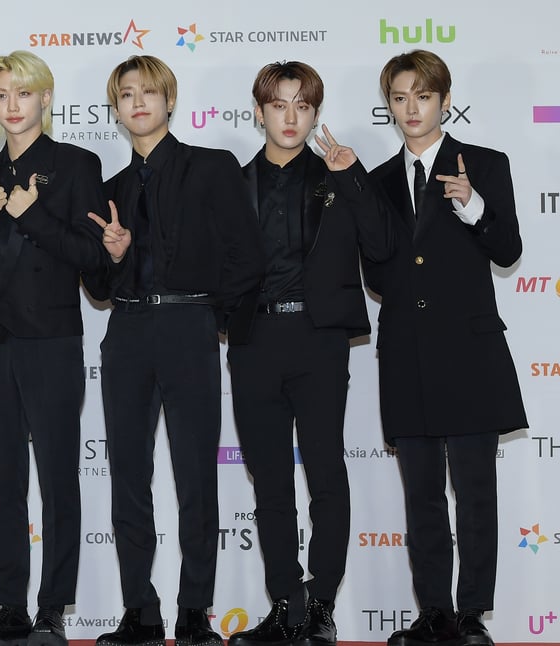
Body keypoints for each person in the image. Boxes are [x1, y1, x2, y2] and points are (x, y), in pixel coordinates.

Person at [82, 55, 264, 646]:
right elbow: (99, 288)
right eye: (126, 94)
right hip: (128, 334)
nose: (138, 102)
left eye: (149, 92)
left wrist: (209, 315)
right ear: (115, 109)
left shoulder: (212, 168)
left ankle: (194, 613)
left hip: (188, 327)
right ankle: (140, 611)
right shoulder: (108, 192)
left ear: (169, 99)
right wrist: (112, 256)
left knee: (194, 477)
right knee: (128, 477)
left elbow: (246, 258)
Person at [225, 61, 393, 646]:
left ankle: (321, 605)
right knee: (269, 481)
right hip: (253, 343)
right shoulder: (233, 183)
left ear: (316, 112)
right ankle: (287, 606)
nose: (290, 117)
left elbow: (382, 247)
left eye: (302, 105)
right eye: (279, 105)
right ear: (259, 112)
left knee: (325, 472)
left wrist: (354, 178)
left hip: (319, 341)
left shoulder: (338, 177)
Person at [363, 49, 526, 646]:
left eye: (423, 97)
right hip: (406, 354)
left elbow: (507, 249)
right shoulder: (377, 182)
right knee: (422, 495)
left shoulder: (484, 164)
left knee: (476, 492)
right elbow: (378, 276)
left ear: (444, 101)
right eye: (400, 98)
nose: (412, 108)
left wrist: (472, 206)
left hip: (469, 353)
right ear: (390, 105)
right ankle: (432, 614)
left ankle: (471, 616)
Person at [0, 50, 105, 646]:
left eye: (23, 93)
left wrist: (32, 214)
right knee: (1, 479)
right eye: (1, 95)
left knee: (57, 477)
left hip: (51, 339)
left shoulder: (76, 165)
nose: (12, 105)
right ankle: (11, 607)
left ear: (46, 98)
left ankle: (52, 610)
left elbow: (96, 259)